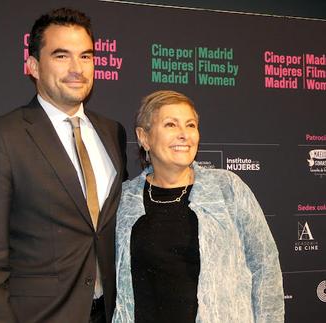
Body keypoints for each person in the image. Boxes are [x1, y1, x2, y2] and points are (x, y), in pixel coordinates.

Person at [0, 8, 127, 323]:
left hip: (109, 313)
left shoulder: (112, 132)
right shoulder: (2, 137)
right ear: (33, 66)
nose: (77, 68)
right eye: (61, 56)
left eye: (86, 56)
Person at [112, 90, 284, 323]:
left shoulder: (228, 188)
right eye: (171, 124)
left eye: (190, 125)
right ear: (144, 137)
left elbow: (265, 266)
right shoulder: (123, 200)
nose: (184, 134)